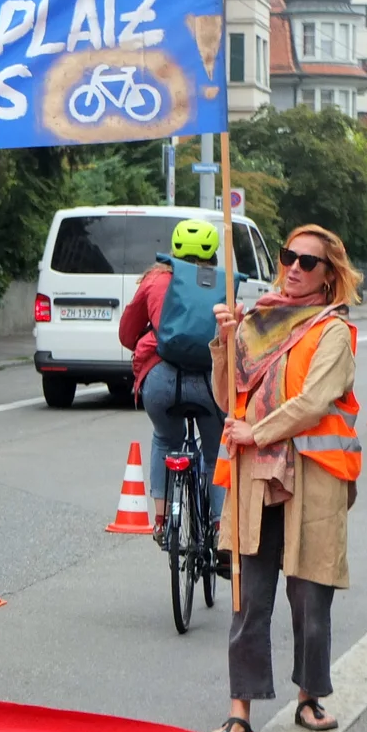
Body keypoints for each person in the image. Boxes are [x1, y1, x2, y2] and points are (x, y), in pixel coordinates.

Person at [204, 224, 362, 732]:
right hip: (257, 477)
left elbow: (316, 401)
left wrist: (258, 431)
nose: (294, 267)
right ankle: (239, 709)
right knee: (250, 596)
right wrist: (224, 343)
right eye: (288, 256)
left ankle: (310, 696)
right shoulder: (255, 321)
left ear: (328, 276)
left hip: (312, 479)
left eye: (308, 262)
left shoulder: (332, 331)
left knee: (308, 594)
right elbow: (229, 396)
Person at [117, 219, 228, 543]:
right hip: (210, 382)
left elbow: (126, 334)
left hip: (161, 379)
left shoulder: (155, 280)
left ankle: (163, 520)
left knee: (166, 440)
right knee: (213, 452)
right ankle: (221, 527)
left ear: (174, 250)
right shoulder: (223, 284)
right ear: (212, 255)